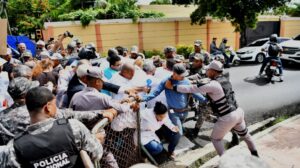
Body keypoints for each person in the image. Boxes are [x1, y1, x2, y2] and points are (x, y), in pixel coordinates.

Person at [165, 60, 258, 157]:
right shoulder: (225, 79)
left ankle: (225, 162)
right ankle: (255, 155)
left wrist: (173, 87)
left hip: (227, 116)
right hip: (238, 112)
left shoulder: (213, 84)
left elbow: (192, 89)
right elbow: (203, 82)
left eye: (208, 70)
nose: (206, 71)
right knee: (246, 136)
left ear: (213, 71)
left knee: (215, 139)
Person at [0, 77, 117, 145]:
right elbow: (70, 115)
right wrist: (101, 114)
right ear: (27, 94)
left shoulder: (2, 116)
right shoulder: (37, 112)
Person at [7, 87, 103, 167]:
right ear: (48, 107)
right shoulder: (73, 127)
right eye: (55, 104)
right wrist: (96, 140)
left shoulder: (14, 146)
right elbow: (96, 154)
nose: (56, 108)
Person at [142, 63, 207, 135]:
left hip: (185, 112)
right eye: (182, 75)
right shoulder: (165, 81)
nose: (184, 77)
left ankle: (171, 136)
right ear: (174, 73)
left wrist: (205, 101)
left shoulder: (186, 81)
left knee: (178, 128)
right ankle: (172, 143)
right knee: (179, 133)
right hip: (173, 112)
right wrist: (142, 99)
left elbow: (194, 93)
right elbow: (155, 93)